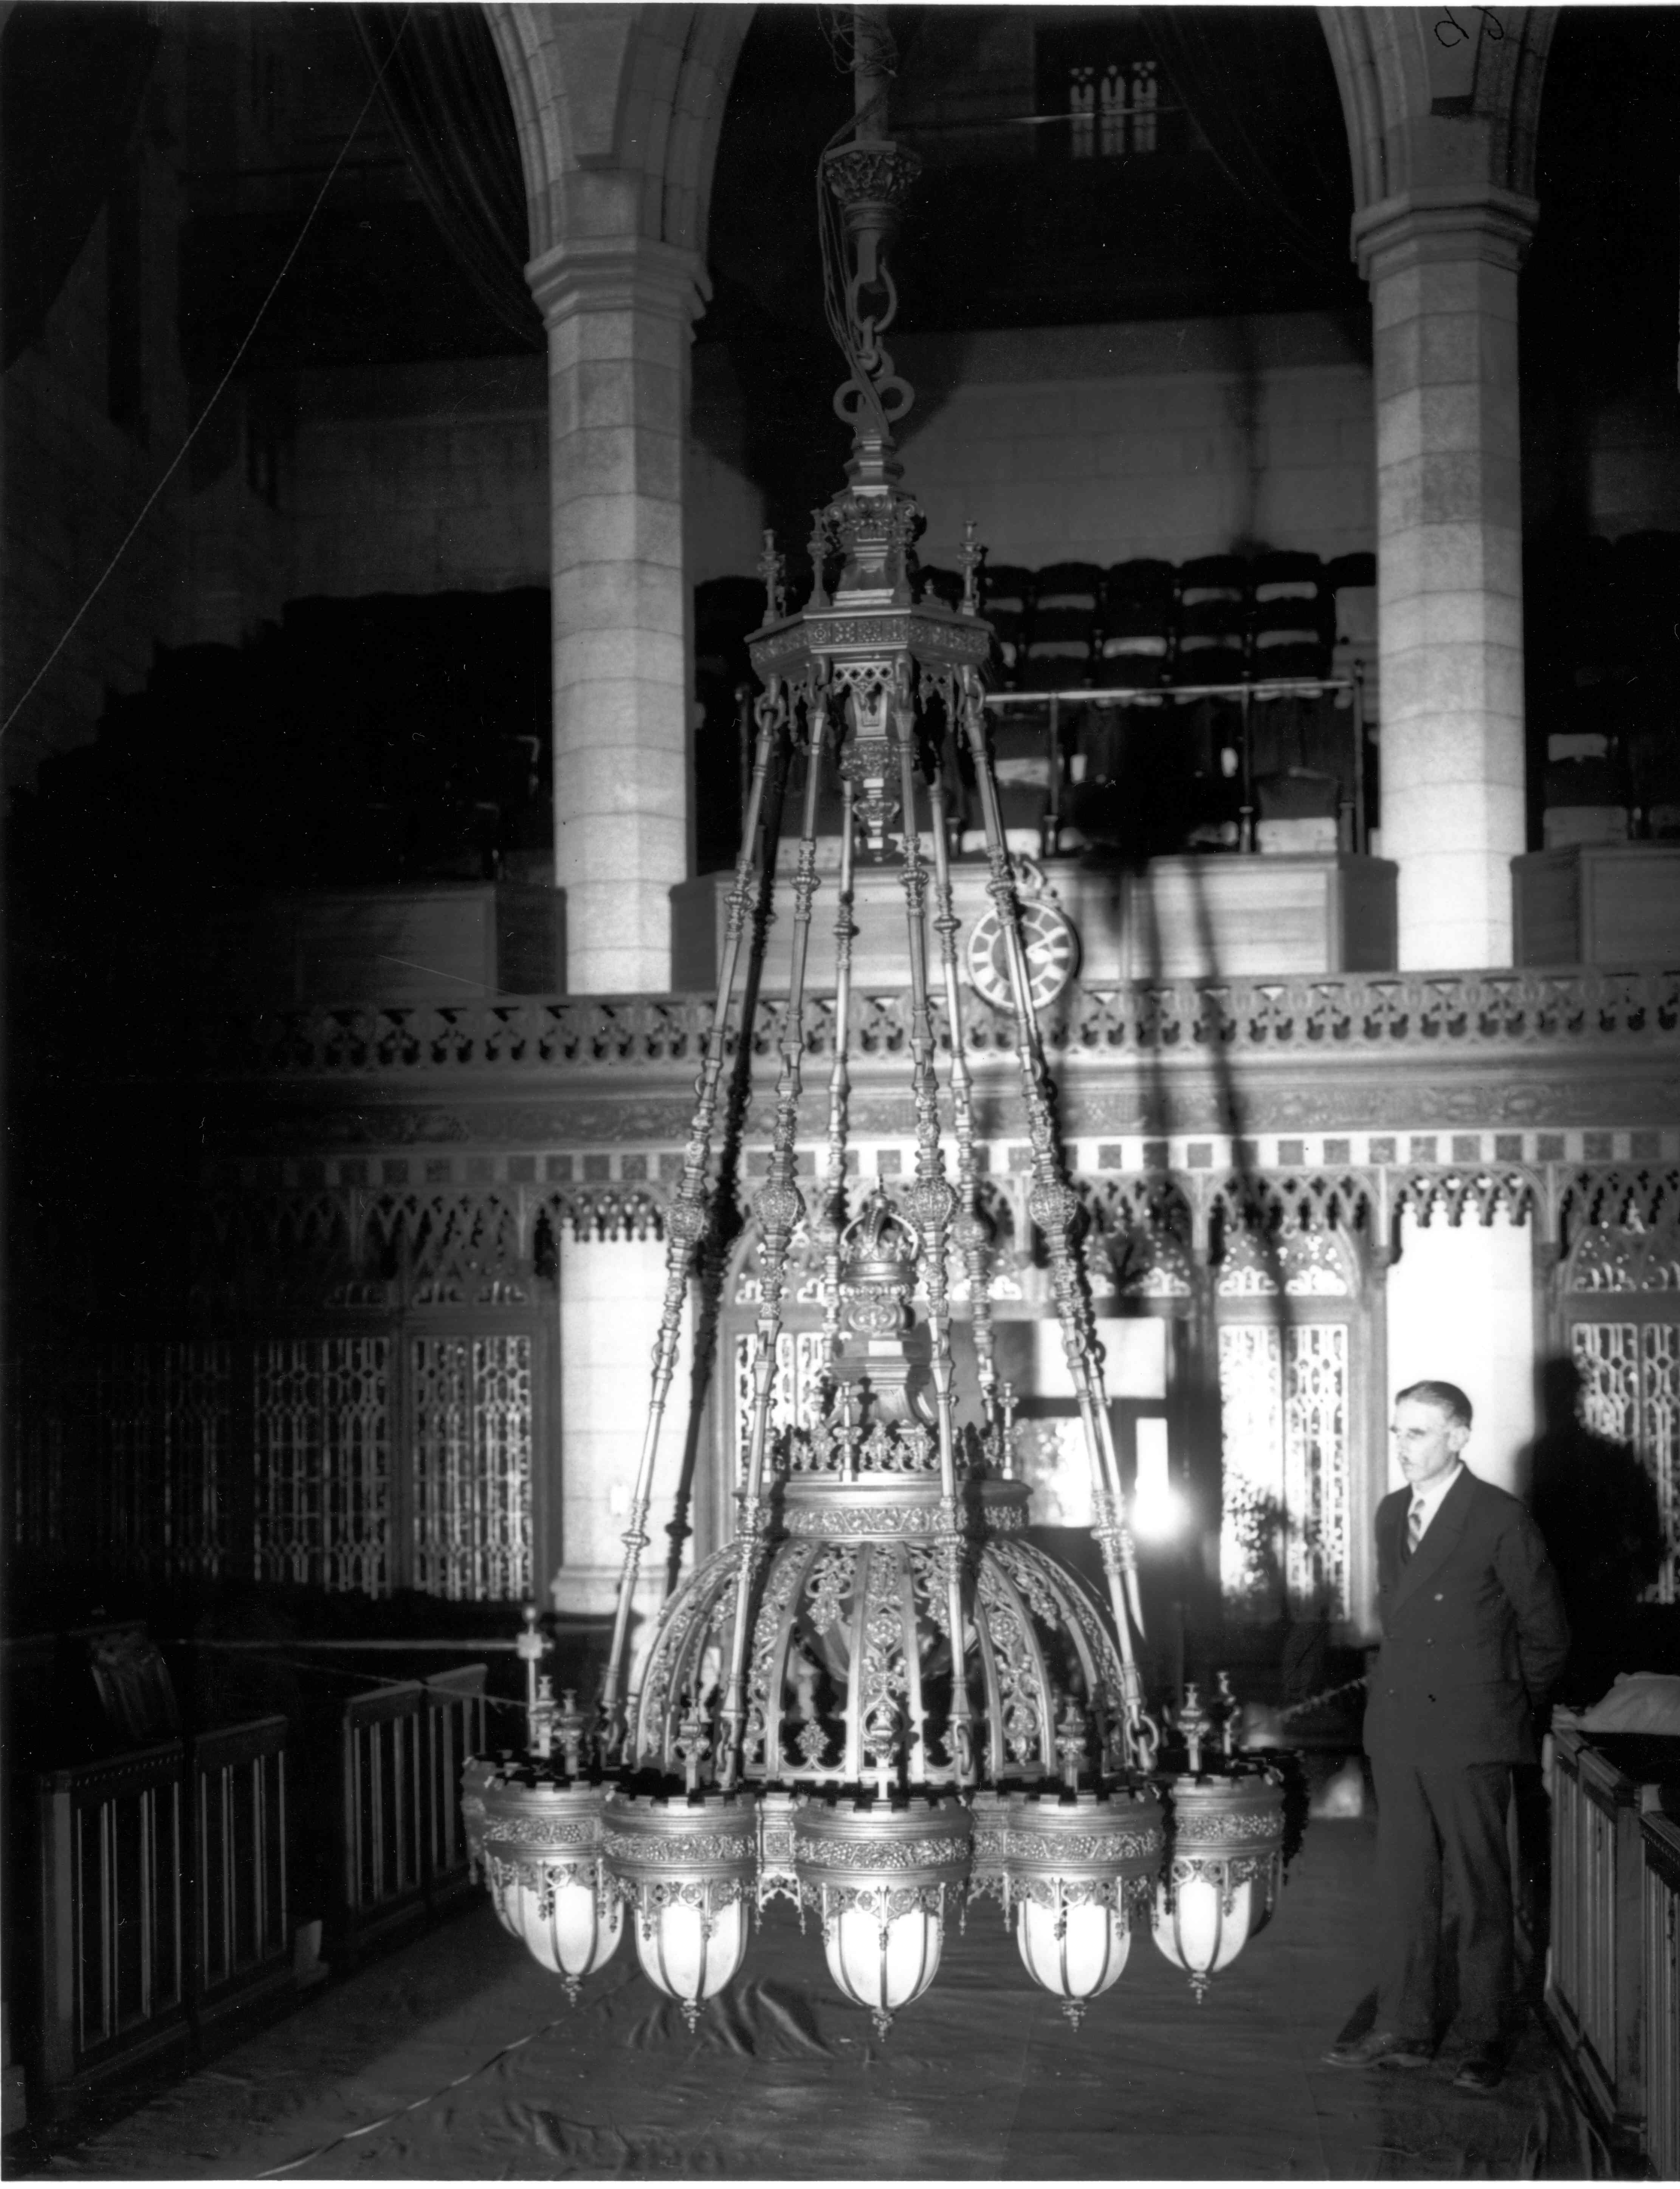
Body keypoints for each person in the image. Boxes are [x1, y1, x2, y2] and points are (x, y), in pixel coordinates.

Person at [1323, 1380, 1569, 2092]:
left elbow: (1547, 1633)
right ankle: (1403, 2025)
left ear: (1459, 1437)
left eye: (1420, 1433)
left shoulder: (1498, 1517)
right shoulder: (1392, 1512)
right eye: (1398, 1432)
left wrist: (1503, 1707)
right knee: (1405, 1887)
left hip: (1472, 1731)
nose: (1404, 1447)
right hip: (1400, 1729)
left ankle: (1484, 2036)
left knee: (1481, 1890)